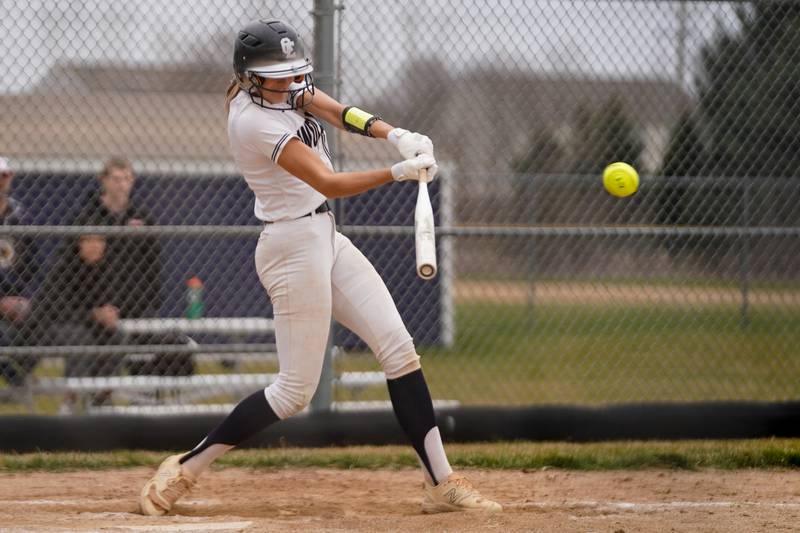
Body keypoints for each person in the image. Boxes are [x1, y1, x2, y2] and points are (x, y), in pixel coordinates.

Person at [139, 19, 500, 515]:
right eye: (277, 76)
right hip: (290, 246)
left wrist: (393, 134)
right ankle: (185, 468)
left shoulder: (283, 88)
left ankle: (441, 484)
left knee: (398, 349)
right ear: (249, 77)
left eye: (293, 73)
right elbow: (327, 182)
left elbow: (327, 106)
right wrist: (397, 172)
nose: (290, 84)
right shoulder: (252, 121)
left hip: (324, 236)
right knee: (293, 392)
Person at [72, 157, 193, 376]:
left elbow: (152, 267)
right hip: (99, 311)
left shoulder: (142, 218)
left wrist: (146, 305)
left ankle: (148, 395)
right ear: (103, 180)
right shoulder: (87, 218)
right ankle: (97, 396)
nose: (122, 184)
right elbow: (74, 274)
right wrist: (96, 308)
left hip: (137, 308)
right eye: (116, 178)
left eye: (127, 178)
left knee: (176, 345)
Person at [0, 156, 40, 387]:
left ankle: (22, 378)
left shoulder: (20, 216)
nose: (1, 181)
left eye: (4, 176)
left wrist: (18, 296)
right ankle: (17, 382)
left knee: (41, 328)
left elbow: (32, 265)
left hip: (15, 296)